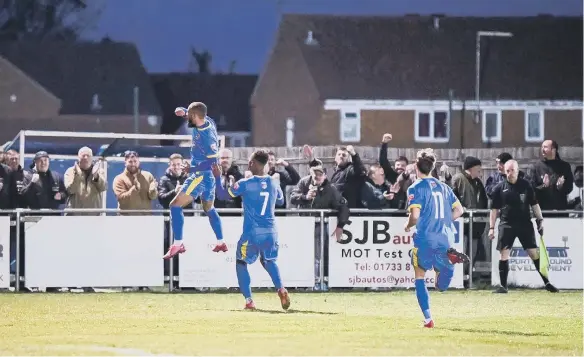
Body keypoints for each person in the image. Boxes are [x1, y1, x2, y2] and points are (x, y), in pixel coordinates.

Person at [213, 150, 290, 311]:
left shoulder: (244, 184)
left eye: (250, 162)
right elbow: (281, 202)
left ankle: (249, 301)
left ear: (254, 164)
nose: (248, 164)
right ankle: (281, 289)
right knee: (269, 260)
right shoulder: (274, 183)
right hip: (271, 231)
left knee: (241, 262)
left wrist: (216, 177)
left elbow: (221, 195)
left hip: (252, 232)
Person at [403, 148, 468, 328]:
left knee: (420, 276)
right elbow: (459, 210)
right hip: (445, 238)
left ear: (416, 166)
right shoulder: (444, 187)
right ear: (433, 167)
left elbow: (415, 216)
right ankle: (449, 263)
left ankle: (428, 319)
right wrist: (445, 220)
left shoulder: (415, 187)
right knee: (441, 286)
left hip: (425, 237)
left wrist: (408, 226)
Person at [163, 102, 227, 259]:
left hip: (201, 176)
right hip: (207, 177)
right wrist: (184, 111)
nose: (187, 120)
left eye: (189, 117)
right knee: (208, 209)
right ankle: (221, 242)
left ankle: (178, 244)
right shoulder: (206, 120)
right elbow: (196, 113)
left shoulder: (208, 136)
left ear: (196, 117)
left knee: (175, 205)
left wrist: (190, 170)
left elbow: (213, 163)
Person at [489, 159, 559, 294]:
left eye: (512, 170)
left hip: (525, 224)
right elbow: (494, 210)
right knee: (504, 254)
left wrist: (540, 220)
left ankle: (547, 282)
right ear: (504, 171)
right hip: (506, 224)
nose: (509, 173)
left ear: (517, 170)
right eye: (507, 171)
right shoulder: (499, 188)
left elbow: (534, 204)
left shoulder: (526, 185)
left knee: (534, 253)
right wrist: (491, 228)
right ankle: (503, 286)